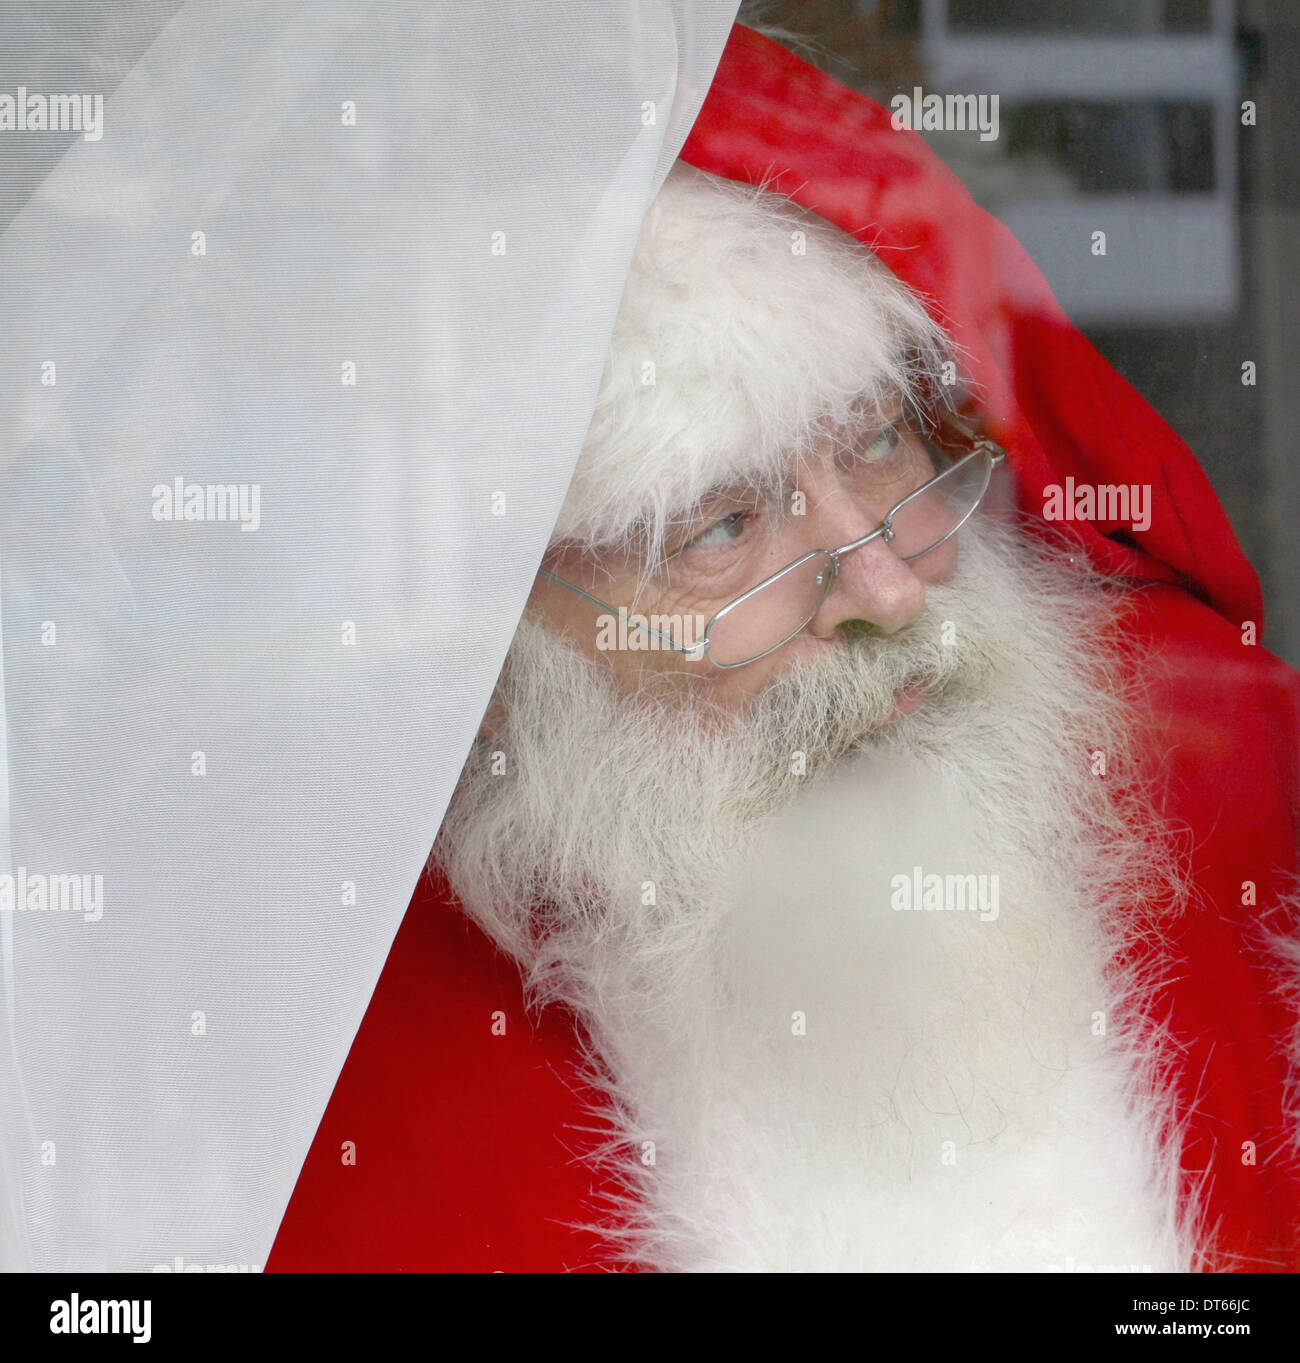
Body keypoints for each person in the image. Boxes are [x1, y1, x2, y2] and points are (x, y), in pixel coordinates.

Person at [269, 23, 1300, 1273]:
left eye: (877, 443)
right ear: (495, 660)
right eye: (720, 525)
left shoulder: (1238, 808)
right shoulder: (329, 1119)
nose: (881, 586)